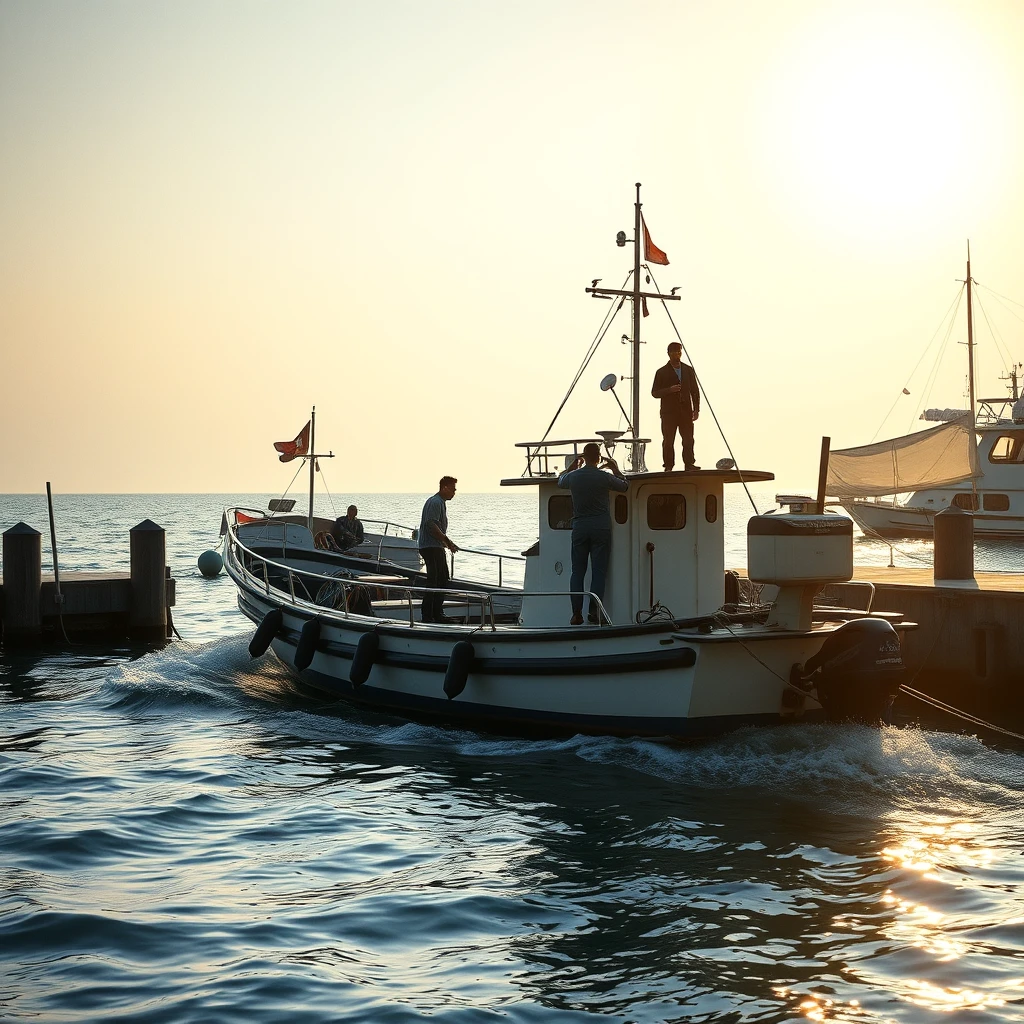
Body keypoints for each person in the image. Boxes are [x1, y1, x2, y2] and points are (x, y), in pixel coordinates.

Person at [557, 443, 628, 625]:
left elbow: (560, 481)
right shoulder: (604, 477)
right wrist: (615, 468)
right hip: (600, 528)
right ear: (599, 457)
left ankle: (576, 614)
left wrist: (570, 467)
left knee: (577, 572)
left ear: (583, 456)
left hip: (580, 527)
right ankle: (594, 613)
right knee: (598, 572)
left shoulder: (573, 477)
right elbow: (625, 486)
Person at [651, 341, 700, 472]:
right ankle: (668, 465)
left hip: (685, 411)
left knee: (688, 439)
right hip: (669, 413)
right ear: (668, 354)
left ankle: (689, 464)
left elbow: (695, 391)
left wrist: (696, 409)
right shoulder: (661, 372)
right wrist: (669, 390)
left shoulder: (688, 370)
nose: (677, 355)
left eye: (679, 352)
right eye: (674, 353)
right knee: (668, 440)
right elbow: (655, 392)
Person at [418, 476, 459, 623]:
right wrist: (446, 541)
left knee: (441, 579)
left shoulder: (439, 502)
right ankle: (429, 615)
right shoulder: (435, 502)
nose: (455, 492)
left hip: (435, 546)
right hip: (430, 546)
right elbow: (431, 526)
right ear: (445, 487)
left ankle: (436, 612)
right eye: (453, 489)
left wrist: (448, 544)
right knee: (435, 581)